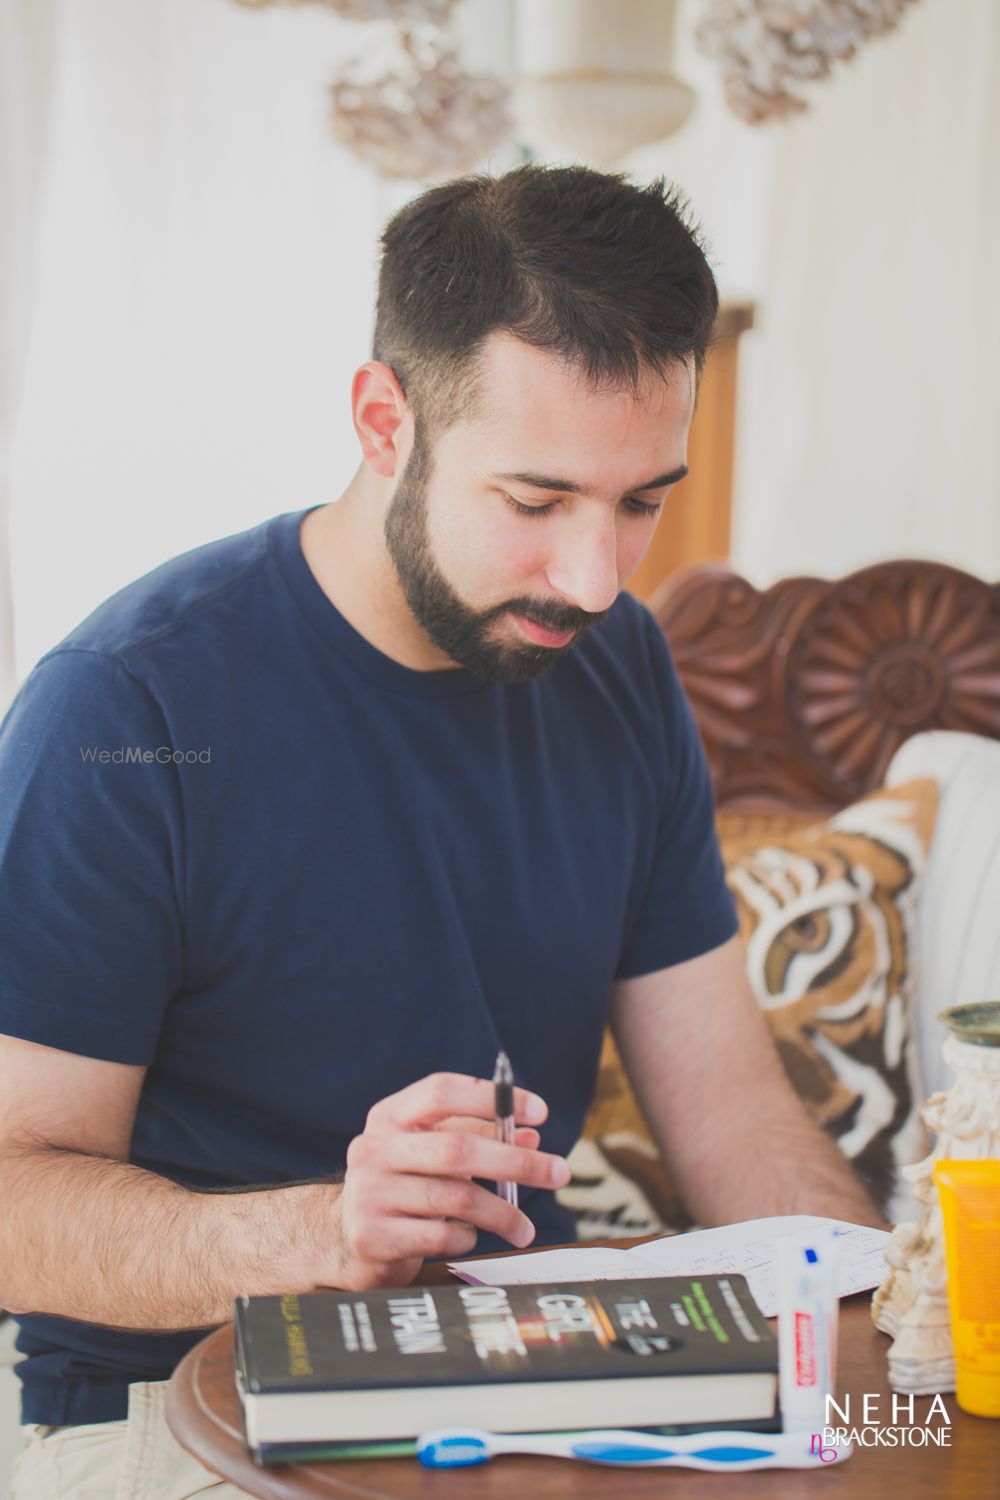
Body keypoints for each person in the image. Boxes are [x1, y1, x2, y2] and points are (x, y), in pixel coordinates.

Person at [0, 164, 881, 1498]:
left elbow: (733, 1109)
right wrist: (322, 1233)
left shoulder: (622, 664)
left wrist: (888, 1334)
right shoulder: (128, 706)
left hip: (516, 1379)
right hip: (163, 1407)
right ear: (383, 421)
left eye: (641, 502)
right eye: (535, 503)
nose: (594, 579)